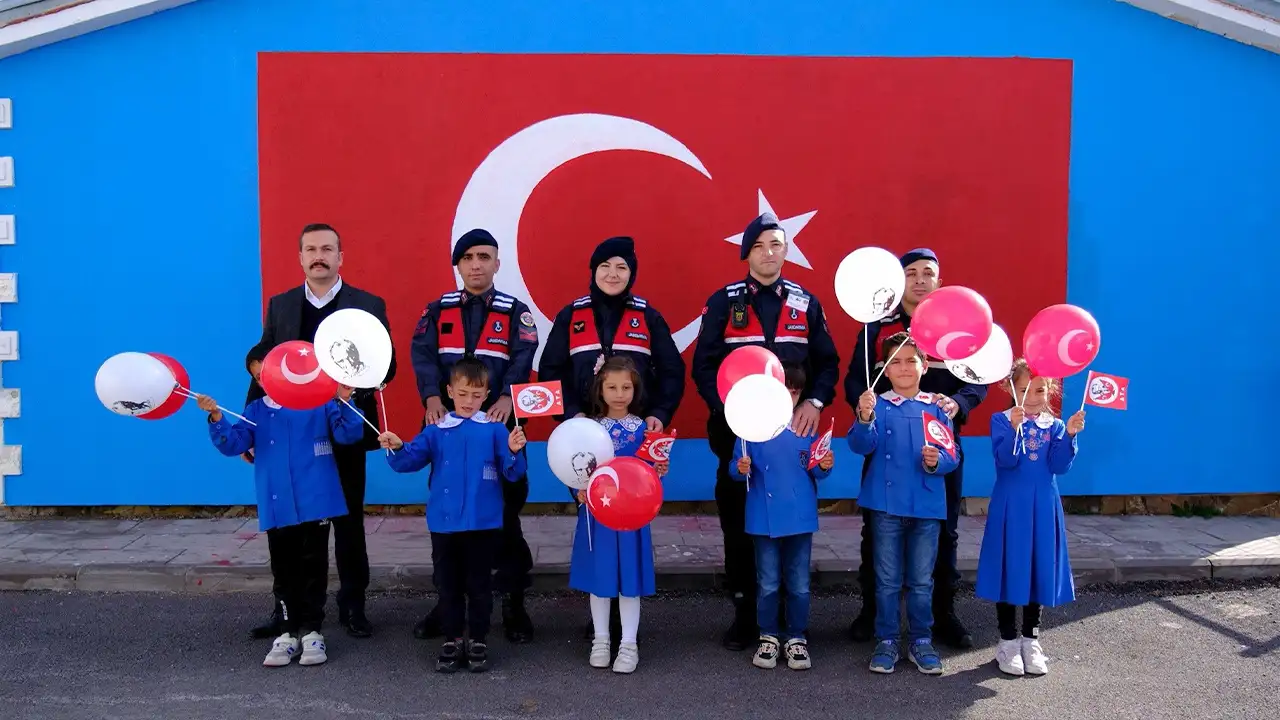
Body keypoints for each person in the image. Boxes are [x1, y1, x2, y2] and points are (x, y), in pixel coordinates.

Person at [691, 213, 840, 651]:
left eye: (777, 244)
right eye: (760, 246)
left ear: (786, 251)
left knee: (792, 529)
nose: (769, 252)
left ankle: (791, 619)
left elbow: (827, 364)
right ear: (747, 253)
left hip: (792, 441)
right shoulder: (724, 302)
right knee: (739, 526)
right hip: (739, 439)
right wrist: (732, 413)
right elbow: (703, 366)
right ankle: (745, 614)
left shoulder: (805, 303)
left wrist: (813, 401)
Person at [247, 222, 397, 640]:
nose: (319, 255)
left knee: (347, 525)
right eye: (311, 249)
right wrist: (249, 425)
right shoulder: (281, 306)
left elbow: (388, 368)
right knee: (289, 528)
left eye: (327, 249)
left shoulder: (367, 305)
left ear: (340, 257)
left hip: (343, 431)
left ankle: (353, 607)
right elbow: (265, 366)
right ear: (299, 257)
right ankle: (287, 610)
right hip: (289, 437)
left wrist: (357, 388)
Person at [540, 235, 686, 639]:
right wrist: (572, 420)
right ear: (593, 271)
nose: (612, 273)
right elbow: (550, 371)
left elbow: (672, 371)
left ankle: (625, 619)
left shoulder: (649, 318)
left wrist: (658, 414)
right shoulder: (571, 316)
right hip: (587, 441)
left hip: (634, 442)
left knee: (629, 520)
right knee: (596, 523)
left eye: (621, 267)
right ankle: (601, 616)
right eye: (605, 266)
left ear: (632, 274)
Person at [842, 248, 986, 648]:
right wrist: (863, 408)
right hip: (885, 443)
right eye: (911, 273)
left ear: (940, 280)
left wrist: (961, 403)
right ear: (899, 280)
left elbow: (978, 381)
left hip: (940, 451)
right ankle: (871, 613)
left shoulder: (957, 326)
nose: (920, 280)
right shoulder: (876, 327)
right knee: (877, 529)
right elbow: (855, 380)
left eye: (928, 273)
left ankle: (943, 616)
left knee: (945, 531)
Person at [409, 228, 538, 644]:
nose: (476, 264)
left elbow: (523, 359)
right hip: (449, 436)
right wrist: (431, 397)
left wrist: (507, 400)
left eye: (485, 256)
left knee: (506, 523)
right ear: (458, 265)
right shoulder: (436, 311)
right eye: (468, 258)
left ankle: (513, 605)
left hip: (500, 434)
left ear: (498, 263)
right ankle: (447, 606)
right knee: (450, 529)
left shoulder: (515, 312)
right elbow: (423, 356)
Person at [199, 344, 363, 667]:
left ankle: (313, 631)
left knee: (314, 567)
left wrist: (345, 400)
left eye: (267, 371)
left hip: (316, 501)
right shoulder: (257, 410)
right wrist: (216, 417)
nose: (264, 381)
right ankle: (287, 632)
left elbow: (348, 435)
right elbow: (233, 443)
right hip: (278, 503)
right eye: (258, 377)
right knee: (284, 569)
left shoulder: (320, 402)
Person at [378, 358, 529, 673]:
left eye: (476, 395)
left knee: (479, 585)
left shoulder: (496, 430)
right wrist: (396, 446)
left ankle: (478, 638)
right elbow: (408, 460)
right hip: (444, 524)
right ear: (449, 391)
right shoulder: (437, 430)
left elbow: (512, 474)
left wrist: (514, 451)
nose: (469, 402)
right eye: (462, 394)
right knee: (447, 584)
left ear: (487, 394)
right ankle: (451, 638)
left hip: (483, 523)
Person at [848, 332, 959, 675]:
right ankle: (887, 640)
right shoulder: (877, 405)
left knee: (923, 579)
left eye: (911, 360)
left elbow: (952, 455)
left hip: (925, 505)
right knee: (887, 579)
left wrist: (935, 462)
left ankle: (921, 640)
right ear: (884, 369)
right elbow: (860, 445)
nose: (904, 367)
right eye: (895, 361)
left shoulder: (938, 408)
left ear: (925, 366)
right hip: (885, 506)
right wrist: (864, 418)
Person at [977, 359, 1084, 676]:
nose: (1032, 396)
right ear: (1012, 389)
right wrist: (1014, 427)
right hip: (1011, 505)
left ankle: (1031, 639)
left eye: (1039, 389)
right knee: (1010, 568)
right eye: (1024, 390)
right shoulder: (1001, 421)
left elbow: (1059, 466)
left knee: (1038, 568)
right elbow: (1005, 461)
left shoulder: (1057, 426)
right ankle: (1007, 642)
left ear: (1049, 389)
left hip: (1043, 506)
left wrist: (1071, 436)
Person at [569, 356, 670, 674]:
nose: (619, 393)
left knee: (630, 580)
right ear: (600, 389)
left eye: (626, 386)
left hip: (631, 520)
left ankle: (628, 644)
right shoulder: (588, 429)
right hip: (597, 518)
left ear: (635, 389)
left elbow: (648, 474)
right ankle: (601, 639)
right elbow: (573, 468)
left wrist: (659, 471)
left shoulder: (643, 429)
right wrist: (578, 491)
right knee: (600, 580)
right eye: (612, 386)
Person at [729, 363, 834, 671]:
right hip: (763, 517)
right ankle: (768, 635)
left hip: (800, 518)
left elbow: (818, 469)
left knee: (799, 583)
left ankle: (797, 637)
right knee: (768, 582)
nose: (789, 394)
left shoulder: (807, 426)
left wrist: (825, 464)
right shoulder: (749, 428)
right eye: (783, 388)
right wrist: (740, 468)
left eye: (795, 389)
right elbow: (733, 469)